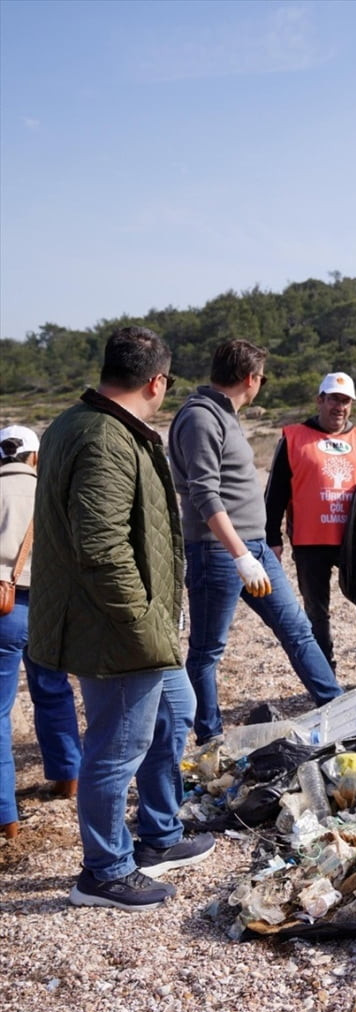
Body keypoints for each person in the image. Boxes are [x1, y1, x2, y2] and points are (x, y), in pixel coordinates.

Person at [29, 327, 213, 909]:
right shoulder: (104, 438)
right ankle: (104, 871)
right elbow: (102, 548)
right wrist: (142, 624)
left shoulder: (78, 424)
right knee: (115, 747)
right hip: (114, 627)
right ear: (157, 381)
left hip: (134, 622)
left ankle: (158, 835)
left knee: (176, 713)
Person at [169, 340, 342, 746]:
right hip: (219, 552)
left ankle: (335, 706)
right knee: (207, 651)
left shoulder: (224, 415)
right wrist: (241, 555)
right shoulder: (200, 418)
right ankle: (210, 737)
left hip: (253, 548)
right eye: (262, 378)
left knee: (297, 629)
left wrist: (255, 549)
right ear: (251, 378)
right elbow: (205, 493)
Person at [264, 372, 356, 669]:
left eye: (346, 401)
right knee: (316, 611)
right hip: (310, 540)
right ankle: (324, 670)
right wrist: (272, 539)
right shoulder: (294, 438)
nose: (340, 407)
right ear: (320, 399)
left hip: (354, 538)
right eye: (334, 399)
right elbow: (276, 494)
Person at [0, 426, 81, 839]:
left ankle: (6, 817)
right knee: (53, 691)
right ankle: (69, 779)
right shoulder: (50, 490)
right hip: (46, 606)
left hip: (2, 607)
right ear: (35, 457)